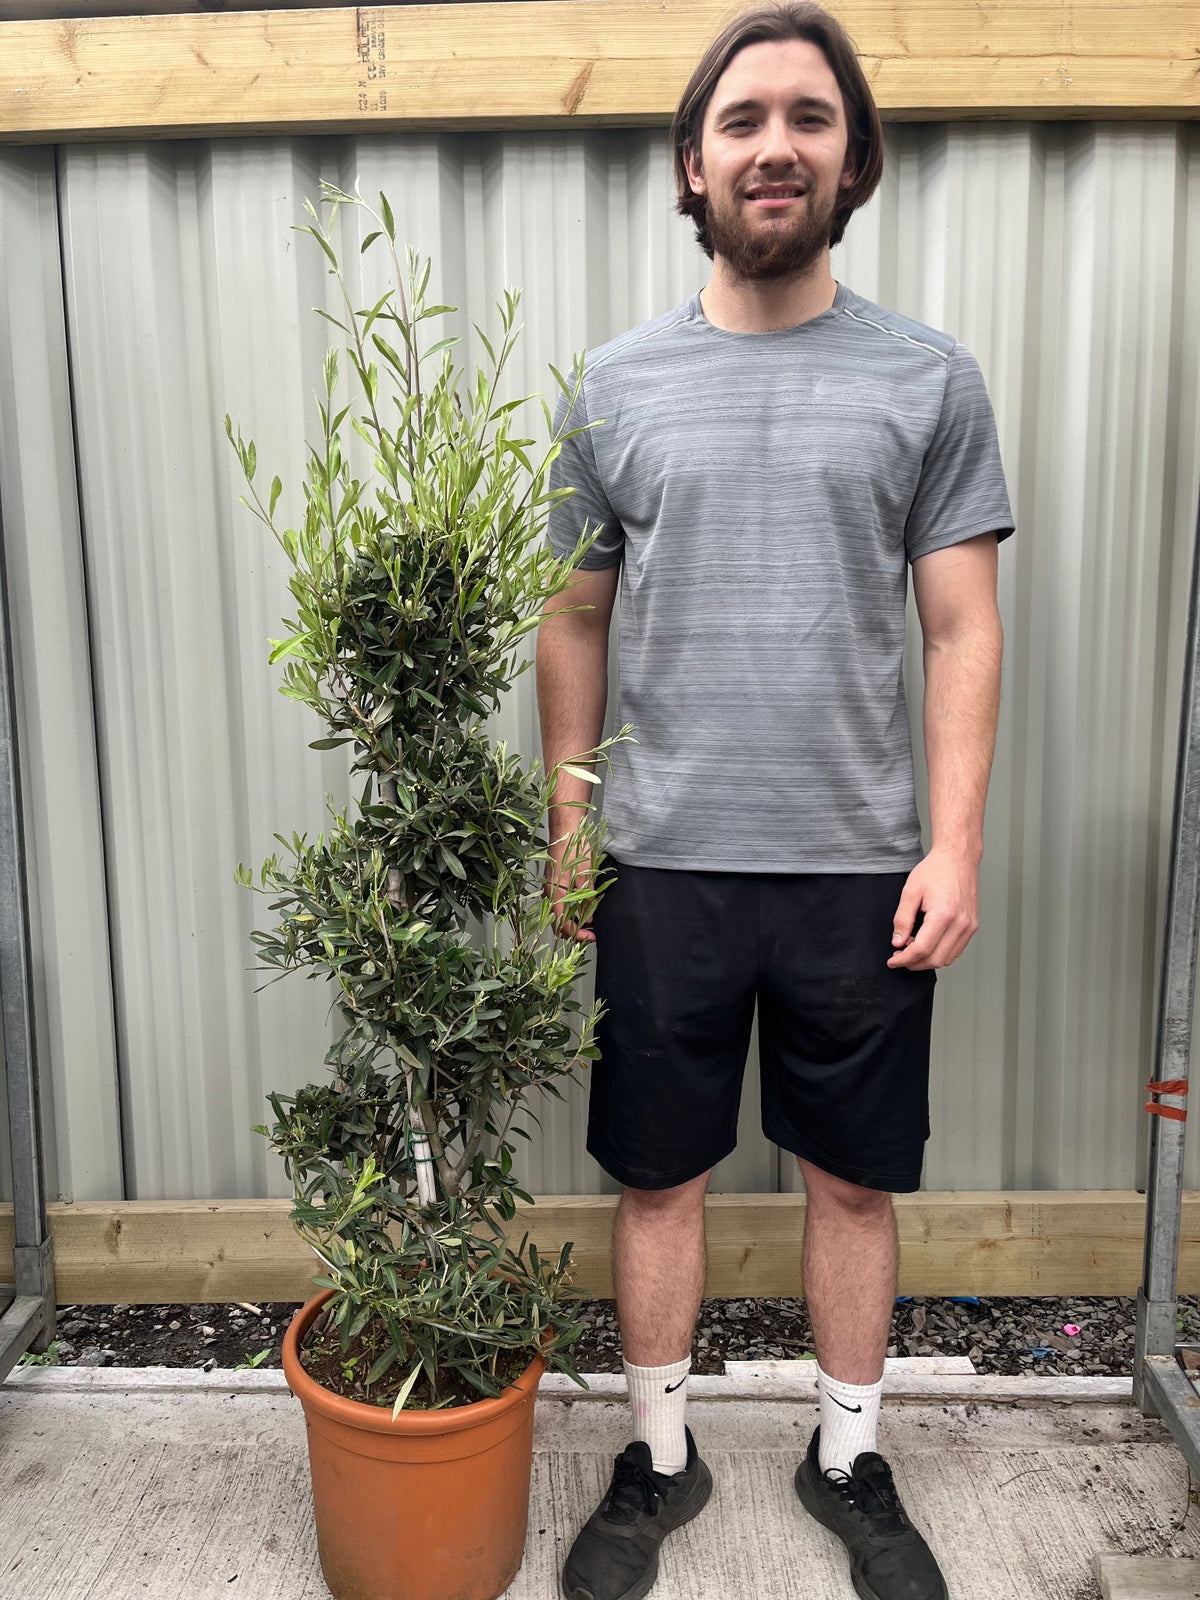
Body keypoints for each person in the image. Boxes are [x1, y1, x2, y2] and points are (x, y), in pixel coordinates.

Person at [535, 4, 1013, 1596]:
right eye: (742, 120)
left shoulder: (927, 381)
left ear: (851, 158)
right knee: (656, 1175)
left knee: (853, 1181)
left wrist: (954, 844)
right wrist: (571, 818)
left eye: (810, 117)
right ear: (694, 162)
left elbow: (963, 627)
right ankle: (658, 1459)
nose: (775, 146)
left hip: (857, 866)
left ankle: (850, 1454)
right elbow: (572, 618)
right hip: (660, 862)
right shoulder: (614, 385)